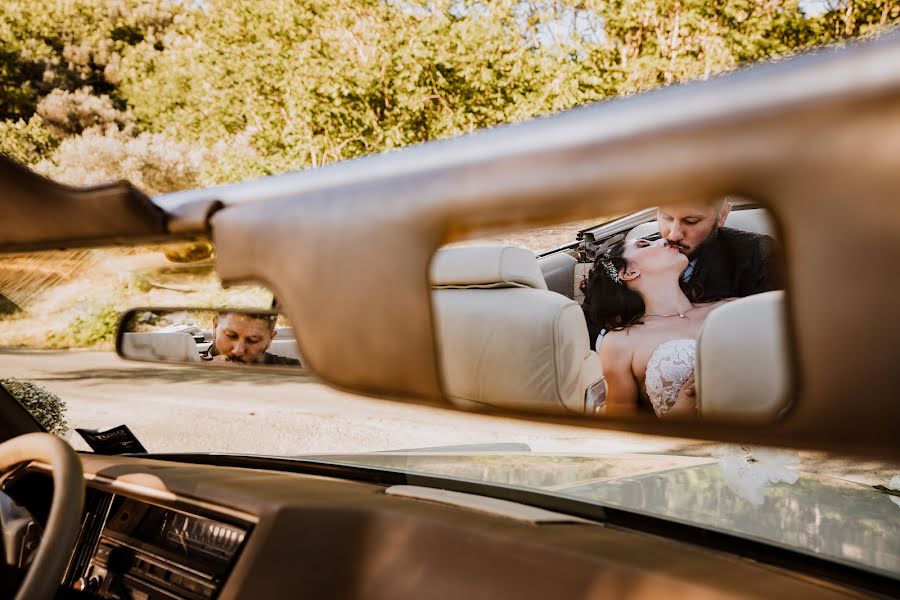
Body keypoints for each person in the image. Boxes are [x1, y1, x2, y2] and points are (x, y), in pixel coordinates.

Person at [583, 200, 780, 349]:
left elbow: (776, 330)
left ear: (722, 215)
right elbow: (591, 321)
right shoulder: (642, 254)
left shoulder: (758, 255)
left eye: (691, 221)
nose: (673, 235)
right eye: (667, 217)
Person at [589, 237, 732, 418]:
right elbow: (622, 432)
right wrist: (686, 404)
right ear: (629, 272)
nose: (664, 239)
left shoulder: (731, 308)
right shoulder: (620, 342)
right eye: (644, 244)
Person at [203, 311, 301, 366]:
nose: (238, 351)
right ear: (215, 327)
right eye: (231, 335)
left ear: (270, 339)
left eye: (253, 340)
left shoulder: (290, 368)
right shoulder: (193, 364)